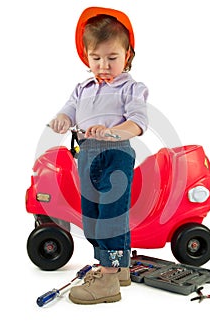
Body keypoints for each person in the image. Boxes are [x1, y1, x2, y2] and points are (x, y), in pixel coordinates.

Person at [50, 7, 148, 304]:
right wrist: (62, 119)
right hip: (88, 156)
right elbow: (69, 110)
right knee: (92, 216)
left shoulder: (131, 87)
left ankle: (107, 280)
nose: (103, 66)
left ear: (127, 55)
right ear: (86, 56)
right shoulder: (82, 88)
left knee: (111, 216)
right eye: (96, 58)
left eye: (112, 58)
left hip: (115, 154)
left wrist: (114, 132)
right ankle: (120, 269)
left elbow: (138, 123)